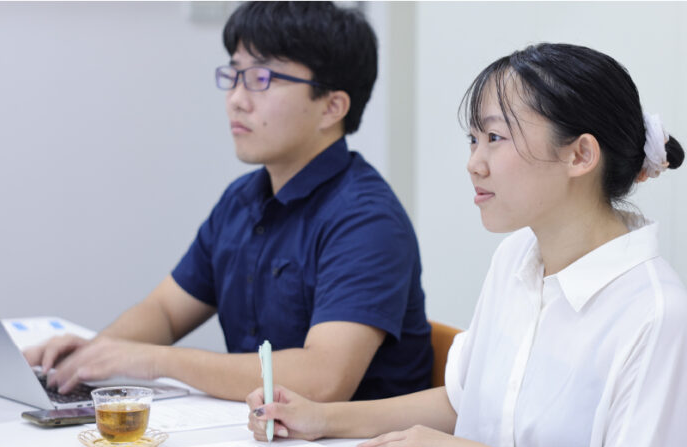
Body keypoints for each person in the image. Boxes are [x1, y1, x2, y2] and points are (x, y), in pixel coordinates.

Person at [245, 43, 687, 447]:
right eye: (474, 139)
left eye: (495, 138)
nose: (474, 163)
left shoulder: (656, 318)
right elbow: (461, 401)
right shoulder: (516, 258)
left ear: (579, 155)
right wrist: (320, 418)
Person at [23, 1, 433, 403]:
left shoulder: (367, 221)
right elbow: (165, 311)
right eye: (235, 75)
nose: (236, 98)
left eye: (261, 78)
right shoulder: (242, 199)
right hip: (254, 432)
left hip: (353, 440)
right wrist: (94, 354)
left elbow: (322, 380)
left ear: (331, 107)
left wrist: (152, 360)